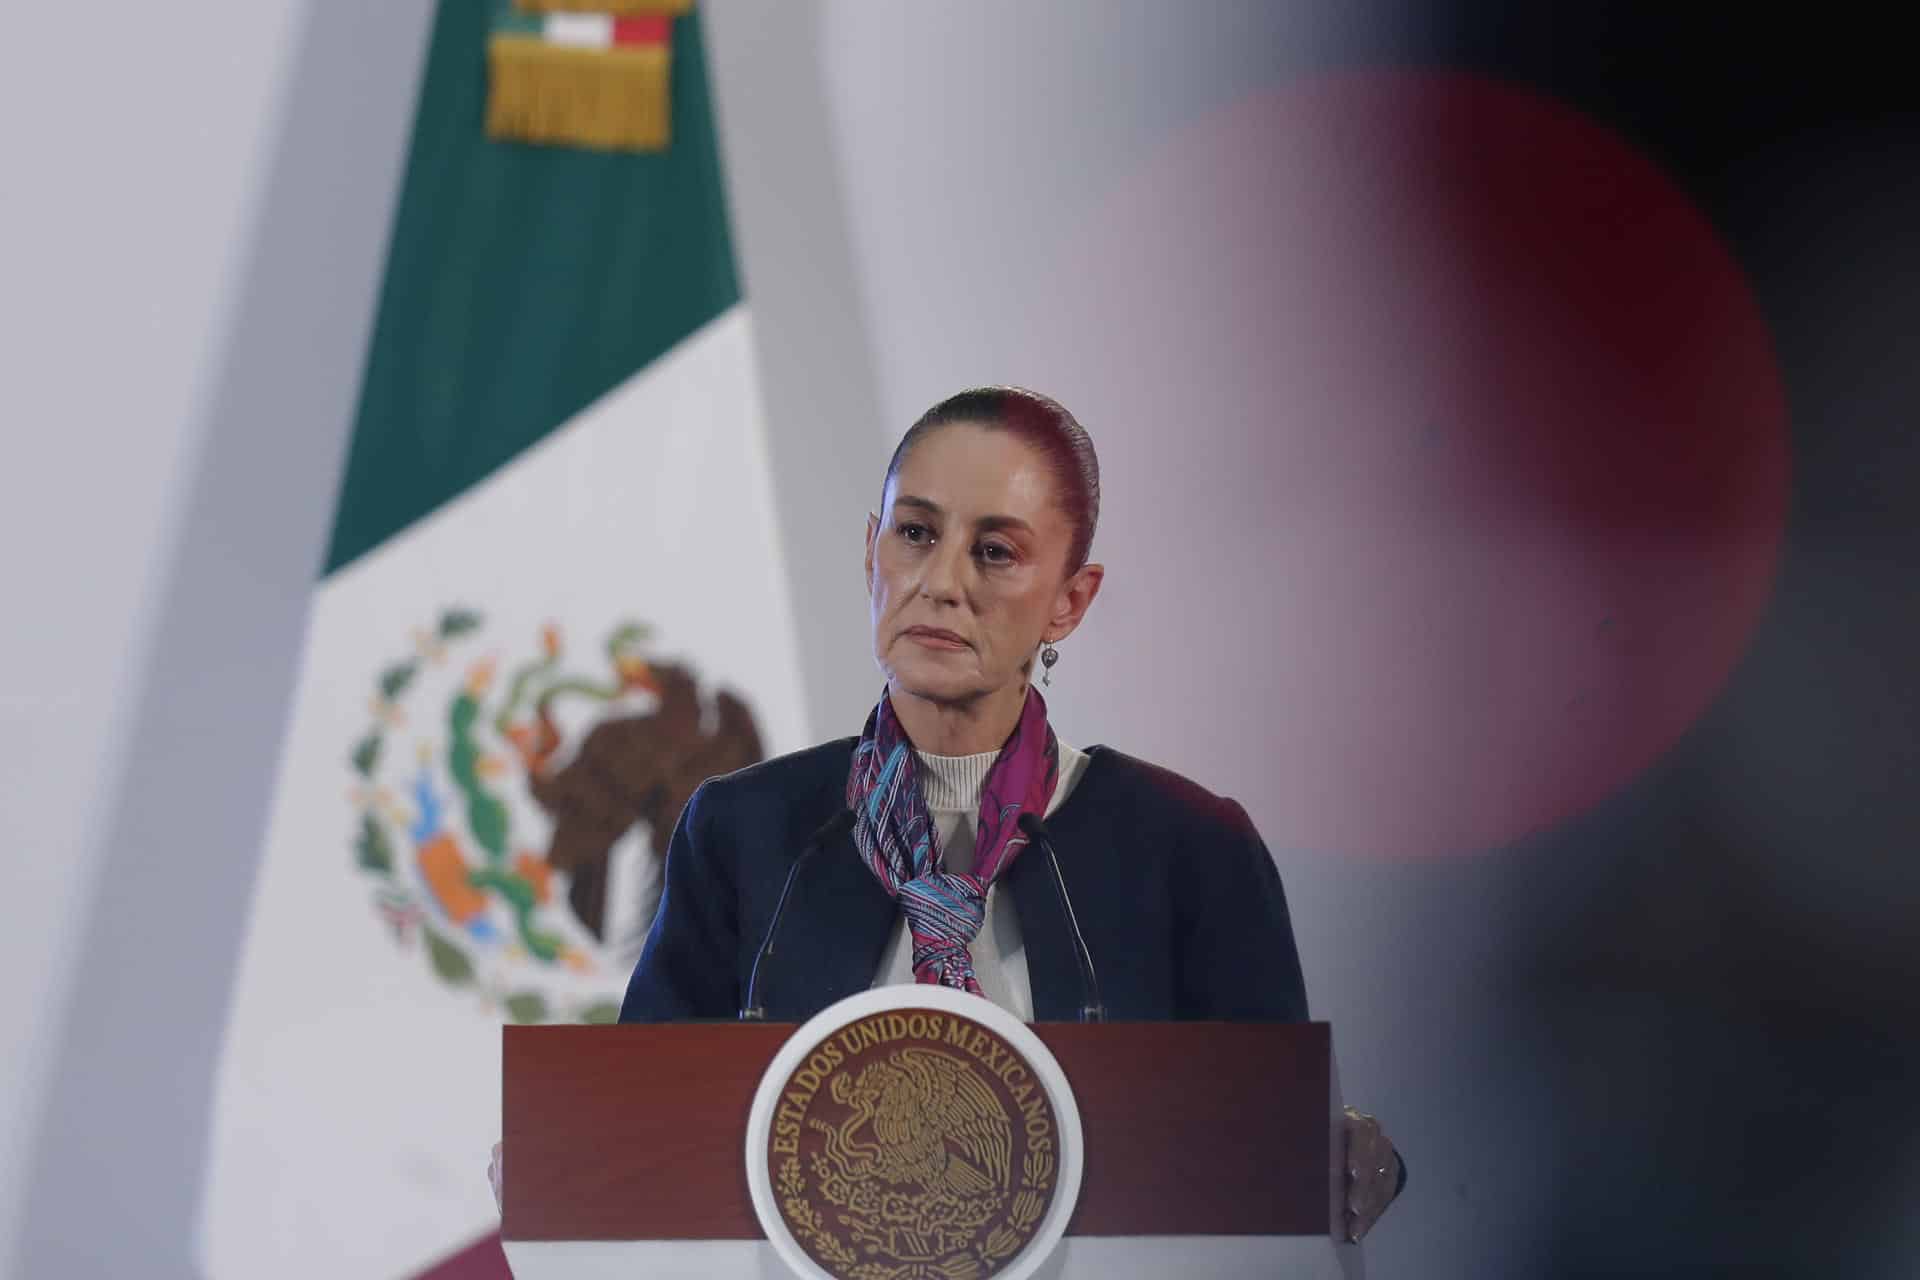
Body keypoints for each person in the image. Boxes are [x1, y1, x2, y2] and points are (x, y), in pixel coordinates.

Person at [607, 386, 1405, 1240]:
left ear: (1070, 599)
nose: (941, 583)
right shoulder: (739, 830)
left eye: (994, 551)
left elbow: (1271, 1156)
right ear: (871, 549)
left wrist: (1356, 1159)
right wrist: (572, 1156)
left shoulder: (1190, 846)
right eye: (915, 533)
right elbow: (642, 1131)